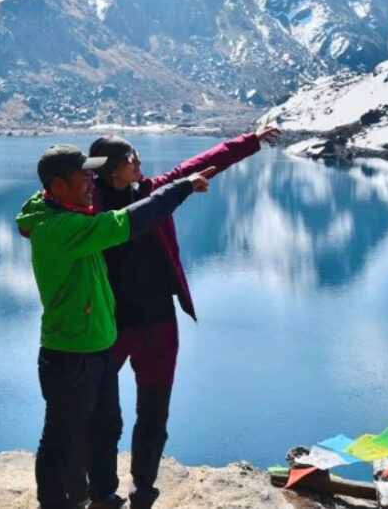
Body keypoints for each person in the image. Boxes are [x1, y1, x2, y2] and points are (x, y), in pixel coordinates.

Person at [87, 123, 280, 509]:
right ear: (111, 172)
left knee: (154, 412)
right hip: (109, 327)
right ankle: (103, 494)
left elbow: (201, 164)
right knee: (103, 415)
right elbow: (49, 208)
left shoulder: (153, 191)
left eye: (136, 154)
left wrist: (252, 140)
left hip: (159, 323)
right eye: (129, 157)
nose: (138, 160)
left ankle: (144, 491)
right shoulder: (90, 209)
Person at [16, 143, 215, 509]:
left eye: (92, 174)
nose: (92, 182)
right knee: (64, 438)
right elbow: (129, 221)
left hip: (94, 346)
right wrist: (183, 188)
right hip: (71, 354)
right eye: (83, 177)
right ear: (58, 186)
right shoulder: (64, 227)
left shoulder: (61, 208)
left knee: (100, 426)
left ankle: (97, 496)